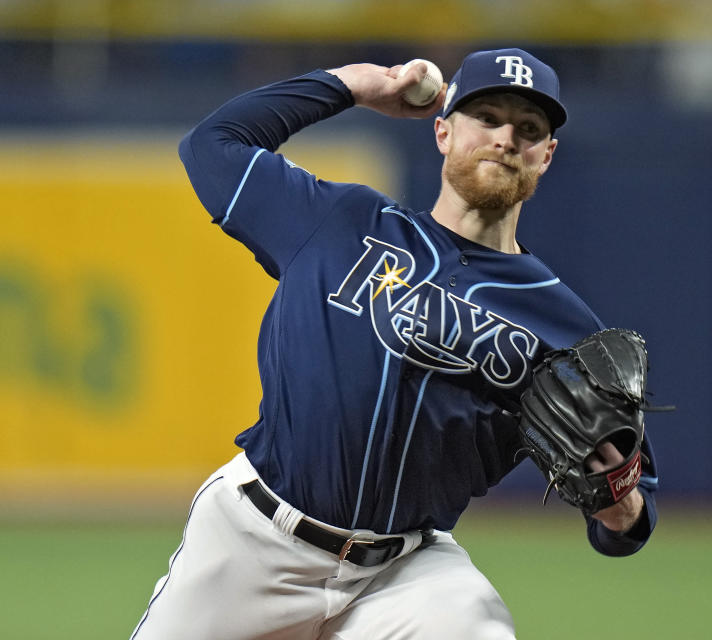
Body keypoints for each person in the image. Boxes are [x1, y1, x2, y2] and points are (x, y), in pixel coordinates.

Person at [131, 47, 659, 640]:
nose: (507, 137)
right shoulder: (338, 221)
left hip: (403, 571)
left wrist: (621, 504)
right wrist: (355, 84)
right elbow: (214, 144)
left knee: (473, 629)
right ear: (442, 130)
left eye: (529, 129)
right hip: (252, 541)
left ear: (547, 155)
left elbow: (627, 522)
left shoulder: (567, 329)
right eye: (487, 117)